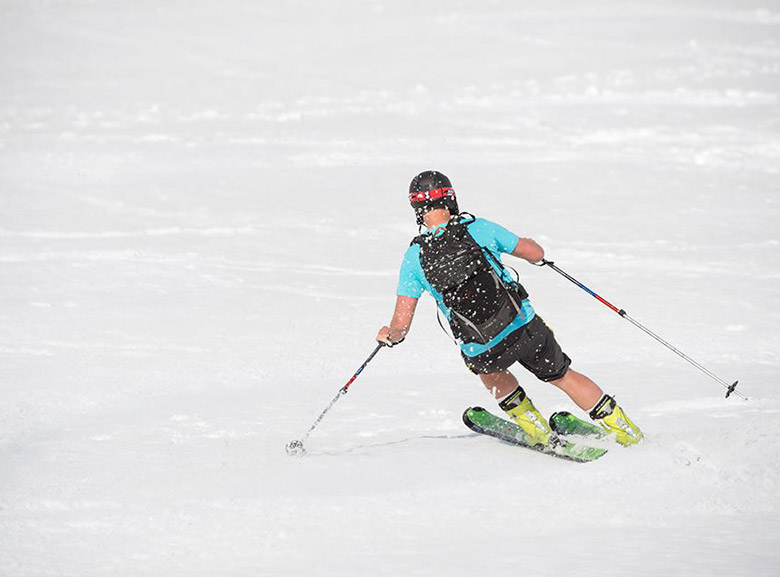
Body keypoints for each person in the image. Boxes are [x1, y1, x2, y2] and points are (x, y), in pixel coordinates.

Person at [376, 170, 643, 447]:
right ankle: (623, 428)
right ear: (451, 198)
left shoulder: (414, 258)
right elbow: (535, 254)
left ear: (417, 208)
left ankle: (536, 428)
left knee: (490, 372)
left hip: (480, 345)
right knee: (562, 375)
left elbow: (400, 327)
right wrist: (532, 245)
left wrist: (389, 335)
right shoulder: (478, 229)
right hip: (523, 327)